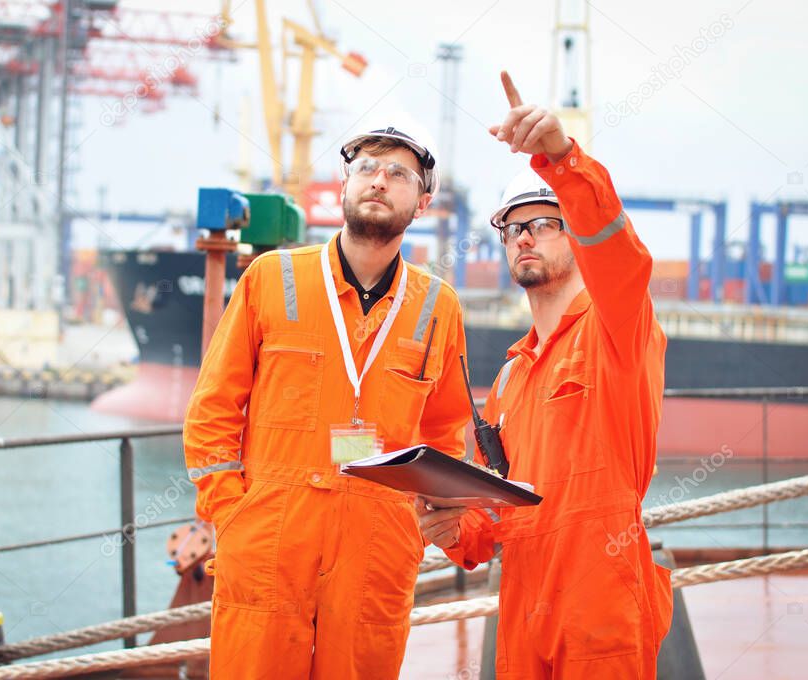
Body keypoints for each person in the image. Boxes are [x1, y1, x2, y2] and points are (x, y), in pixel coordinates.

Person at [183, 125, 471, 679]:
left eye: (398, 174)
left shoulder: (439, 307)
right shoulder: (271, 279)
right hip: (269, 537)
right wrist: (230, 511)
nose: (379, 181)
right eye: (366, 167)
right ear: (344, 182)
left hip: (377, 543)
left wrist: (415, 526)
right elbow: (213, 408)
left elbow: (445, 431)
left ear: (423, 201)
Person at [417, 72, 673, 679]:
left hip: (602, 605)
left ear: (576, 232)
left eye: (543, 221)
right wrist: (447, 525)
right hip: (522, 611)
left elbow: (620, 256)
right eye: (512, 227)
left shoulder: (617, 330)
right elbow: (491, 522)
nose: (524, 236)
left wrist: (560, 160)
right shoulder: (511, 378)